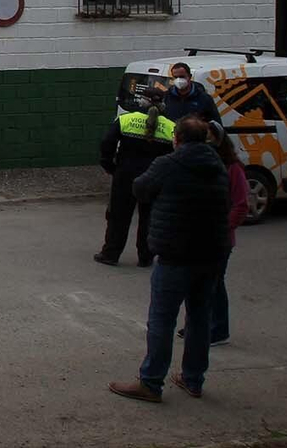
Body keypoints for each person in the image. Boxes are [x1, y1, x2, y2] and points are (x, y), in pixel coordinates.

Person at [109, 115, 229, 403]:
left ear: (178, 138)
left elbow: (140, 188)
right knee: (199, 319)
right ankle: (193, 379)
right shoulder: (218, 166)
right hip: (211, 254)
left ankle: (151, 382)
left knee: (161, 320)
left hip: (176, 254)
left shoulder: (169, 164)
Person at [180, 121, 249, 346]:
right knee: (197, 284)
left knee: (215, 284)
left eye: (209, 137)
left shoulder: (232, 168)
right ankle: (195, 324)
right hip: (196, 236)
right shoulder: (199, 165)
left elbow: (240, 205)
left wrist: (223, 227)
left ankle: (219, 330)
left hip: (219, 239)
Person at [94, 102, 176, 267]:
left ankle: (111, 254)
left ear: (141, 103)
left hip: (125, 175)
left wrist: (109, 166)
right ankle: (145, 257)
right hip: (154, 178)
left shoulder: (125, 120)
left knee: (118, 216)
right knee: (149, 218)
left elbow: (107, 142)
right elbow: (177, 152)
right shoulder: (171, 126)